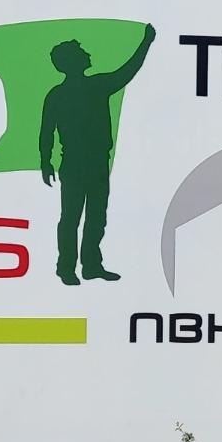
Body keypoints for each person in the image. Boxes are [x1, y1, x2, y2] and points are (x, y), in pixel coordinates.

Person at [38, 24, 156, 284]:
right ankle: (66, 267)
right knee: (70, 218)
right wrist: (45, 162)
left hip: (97, 162)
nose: (87, 54)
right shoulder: (59, 95)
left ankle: (91, 265)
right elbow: (46, 131)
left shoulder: (97, 85)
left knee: (96, 216)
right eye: (81, 52)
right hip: (74, 163)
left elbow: (127, 72)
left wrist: (147, 42)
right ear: (72, 61)